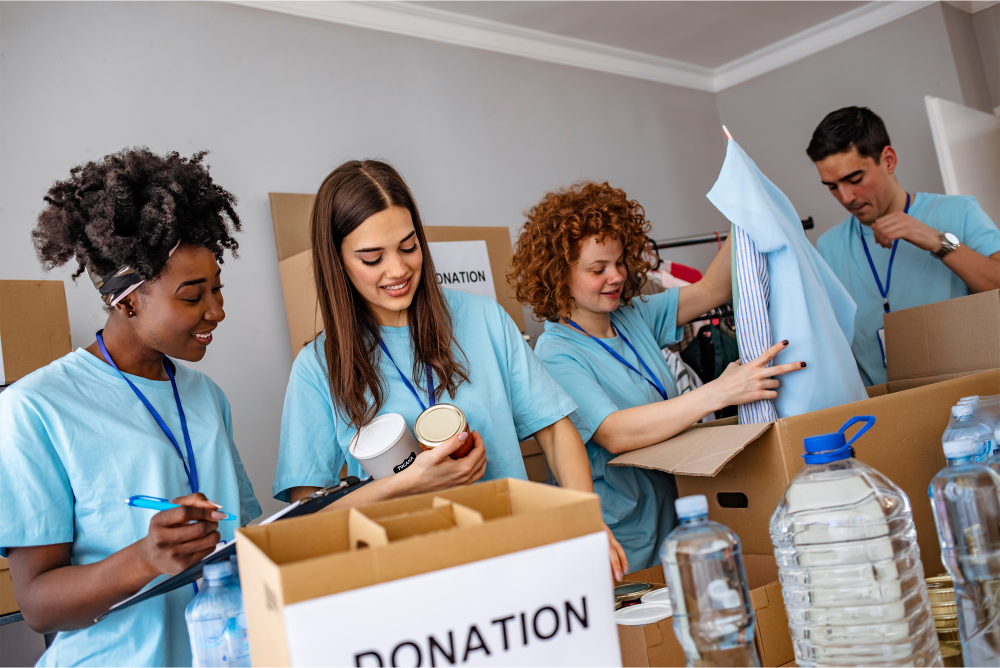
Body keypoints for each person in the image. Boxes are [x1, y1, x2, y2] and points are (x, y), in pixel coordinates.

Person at [272, 160, 628, 578]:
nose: (398, 270)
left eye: (408, 247)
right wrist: (408, 484)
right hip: (409, 585)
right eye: (372, 258)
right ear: (338, 262)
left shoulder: (484, 319)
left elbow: (555, 430)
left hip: (518, 564)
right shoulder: (318, 368)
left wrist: (586, 521)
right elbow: (309, 520)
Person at [0, 149, 261, 667]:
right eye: (192, 296)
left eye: (218, 288)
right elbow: (38, 608)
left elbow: (245, 541)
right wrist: (145, 559)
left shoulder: (206, 396)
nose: (217, 310)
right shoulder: (35, 408)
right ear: (126, 300)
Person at [510, 181, 804, 570]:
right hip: (627, 534)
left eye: (619, 262)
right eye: (598, 269)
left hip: (680, 512)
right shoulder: (555, 353)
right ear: (558, 275)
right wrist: (720, 393)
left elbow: (713, 289)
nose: (616, 276)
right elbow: (614, 432)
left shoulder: (632, 316)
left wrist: (745, 206)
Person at [809, 106, 1000, 386]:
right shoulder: (828, 246)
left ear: (888, 160)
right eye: (832, 186)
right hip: (884, 411)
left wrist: (938, 242)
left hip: (970, 403)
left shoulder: (959, 211)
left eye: (855, 179)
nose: (846, 197)